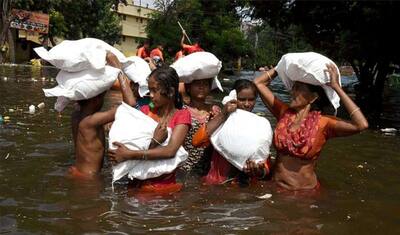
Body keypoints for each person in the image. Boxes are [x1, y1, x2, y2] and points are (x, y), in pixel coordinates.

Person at [253, 64, 369, 191]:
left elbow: (361, 125)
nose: (292, 92)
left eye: (298, 88)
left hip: (304, 194)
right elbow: (258, 83)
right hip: (275, 187)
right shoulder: (284, 113)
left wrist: (336, 87)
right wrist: (280, 67)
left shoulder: (324, 123)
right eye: (293, 88)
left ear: (313, 97)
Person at [108, 66, 191, 194]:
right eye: (149, 89)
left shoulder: (181, 115)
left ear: (170, 91)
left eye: (154, 90)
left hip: (162, 187)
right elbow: (131, 109)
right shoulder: (146, 111)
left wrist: (129, 154)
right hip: (135, 183)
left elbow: (170, 151)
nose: (150, 95)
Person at [69, 52, 136, 179]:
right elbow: (130, 104)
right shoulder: (92, 121)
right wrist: (118, 69)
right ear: (96, 99)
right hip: (89, 178)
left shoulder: (76, 115)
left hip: (77, 170)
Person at [191, 79, 271, 184]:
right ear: (233, 98)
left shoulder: (260, 125)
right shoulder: (221, 119)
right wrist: (223, 113)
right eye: (242, 99)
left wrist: (259, 171)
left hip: (244, 185)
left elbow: (265, 162)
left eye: (251, 99)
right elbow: (197, 141)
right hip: (218, 181)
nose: (247, 104)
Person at [179, 78, 222, 176]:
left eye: (205, 84)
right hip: (186, 167)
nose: (201, 87)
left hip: (209, 168)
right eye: (197, 84)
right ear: (189, 88)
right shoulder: (183, 111)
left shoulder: (215, 110)